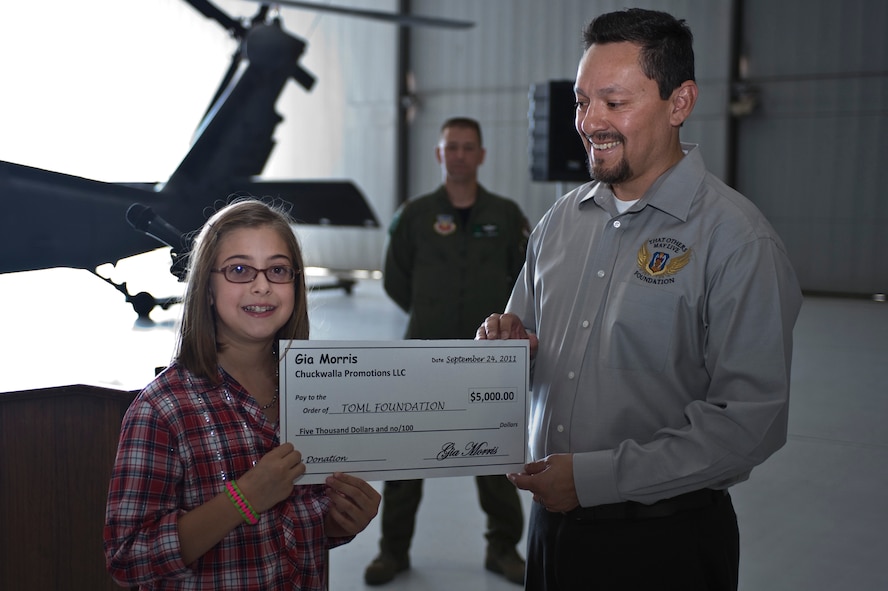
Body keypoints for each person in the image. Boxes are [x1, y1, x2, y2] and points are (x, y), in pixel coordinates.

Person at [476, 8, 802, 591]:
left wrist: (597, 480)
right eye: (581, 101)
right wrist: (500, 347)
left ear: (679, 103)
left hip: (664, 544)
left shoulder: (735, 240)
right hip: (551, 530)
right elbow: (520, 337)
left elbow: (748, 424)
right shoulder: (559, 223)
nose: (589, 122)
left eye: (614, 102)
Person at [104, 198, 381, 590]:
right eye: (239, 269)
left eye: (278, 270)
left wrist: (339, 522)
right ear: (208, 287)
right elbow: (127, 558)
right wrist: (242, 499)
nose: (262, 285)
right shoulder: (162, 410)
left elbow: (302, 524)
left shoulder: (317, 396)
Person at [364, 117, 529, 586]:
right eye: (450, 147)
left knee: (495, 458)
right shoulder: (414, 215)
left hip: (487, 360)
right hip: (422, 356)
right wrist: (430, 311)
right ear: (439, 154)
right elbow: (395, 278)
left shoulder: (505, 214)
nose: (458, 154)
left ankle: (503, 549)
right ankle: (392, 551)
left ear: (481, 155)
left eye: (467, 147)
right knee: (405, 460)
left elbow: (525, 279)